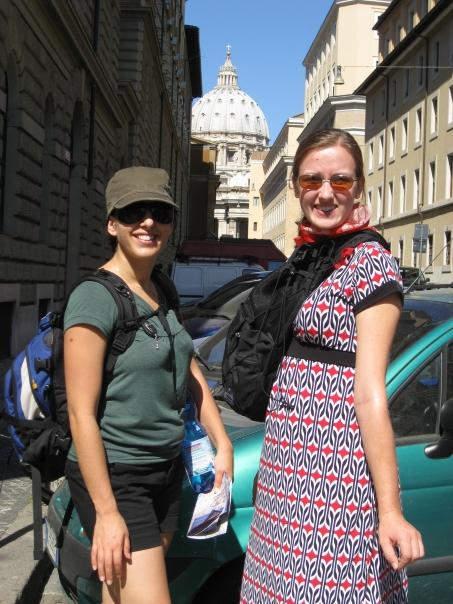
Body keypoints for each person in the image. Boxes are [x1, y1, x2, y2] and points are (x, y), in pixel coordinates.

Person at [240, 129, 424, 604]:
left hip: (334, 476)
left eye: (340, 181)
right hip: (285, 474)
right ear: (296, 186)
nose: (325, 193)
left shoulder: (370, 264)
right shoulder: (312, 256)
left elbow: (370, 392)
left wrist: (390, 511)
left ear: (358, 187)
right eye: (312, 180)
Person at [64, 167, 233, 604]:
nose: (148, 222)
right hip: (120, 474)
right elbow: (80, 413)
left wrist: (222, 442)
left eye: (160, 213)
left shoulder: (161, 287)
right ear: (112, 224)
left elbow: (188, 367)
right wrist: (106, 512)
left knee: (122, 595)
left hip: (166, 468)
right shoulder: (94, 297)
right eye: (134, 212)